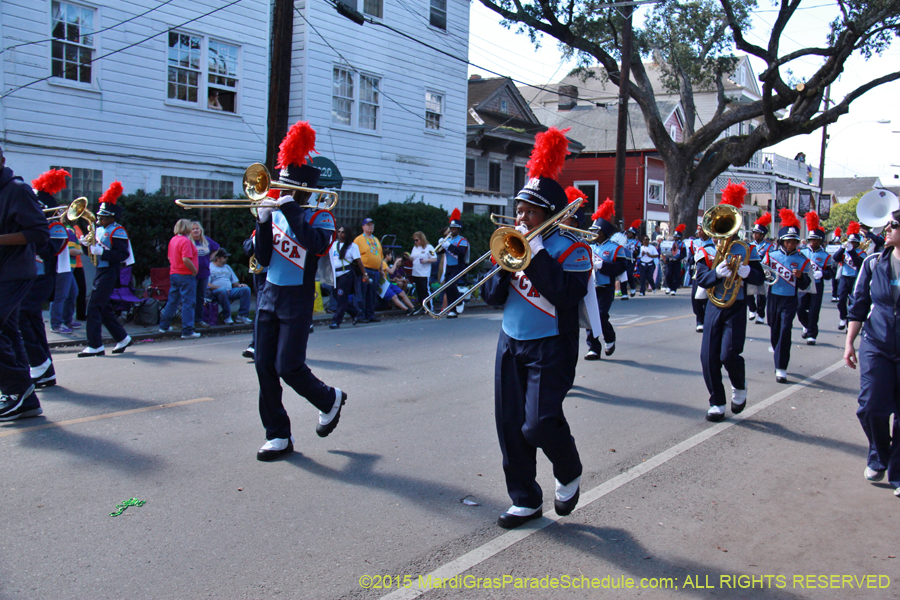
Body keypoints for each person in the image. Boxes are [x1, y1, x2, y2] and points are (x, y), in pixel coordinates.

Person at [482, 127, 591, 529]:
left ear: (548, 214)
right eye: (519, 210)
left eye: (529, 212)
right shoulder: (512, 243)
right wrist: (507, 267)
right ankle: (524, 498)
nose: (520, 218)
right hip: (510, 343)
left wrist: (537, 254)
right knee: (510, 425)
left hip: (551, 347)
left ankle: (569, 469)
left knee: (539, 422)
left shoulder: (572, 249)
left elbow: (565, 295)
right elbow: (492, 298)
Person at [252, 120, 346, 461]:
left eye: (288, 190)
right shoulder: (274, 213)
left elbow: (315, 244)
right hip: (269, 293)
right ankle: (277, 434)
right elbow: (261, 259)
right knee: (264, 365)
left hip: (297, 296)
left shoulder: (320, 216)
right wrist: (262, 223)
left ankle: (328, 398)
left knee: (288, 366)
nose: (280, 193)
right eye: (281, 188)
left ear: (304, 191)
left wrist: (290, 208)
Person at [695, 182, 765, 421]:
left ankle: (739, 384)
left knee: (728, 355)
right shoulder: (704, 249)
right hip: (713, 305)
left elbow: (760, 277)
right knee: (708, 357)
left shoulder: (747, 249)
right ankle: (717, 402)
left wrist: (747, 273)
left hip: (736, 305)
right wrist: (717, 273)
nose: (726, 232)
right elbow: (702, 279)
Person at [844, 210, 900, 497]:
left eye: (894, 225)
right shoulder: (874, 262)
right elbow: (859, 304)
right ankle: (880, 453)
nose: (887, 229)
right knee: (869, 406)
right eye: (888, 224)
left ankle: (897, 471)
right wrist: (850, 343)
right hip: (876, 343)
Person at [0, 146, 51, 420]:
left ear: (2, 161)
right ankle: (26, 399)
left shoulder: (17, 189)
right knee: (7, 332)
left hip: (14, 272)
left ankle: (16, 389)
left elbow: (39, 232)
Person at [21, 170, 69, 387]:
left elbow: (49, 251)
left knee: (20, 316)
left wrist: (36, 231)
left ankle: (38, 363)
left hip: (43, 279)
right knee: (35, 322)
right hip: (29, 277)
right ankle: (46, 371)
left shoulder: (56, 227)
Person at [78, 182, 134, 357]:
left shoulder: (118, 230)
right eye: (99, 217)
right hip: (101, 270)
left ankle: (95, 344)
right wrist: (85, 246)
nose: (100, 220)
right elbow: (93, 254)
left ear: (112, 217)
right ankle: (122, 337)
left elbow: (122, 254)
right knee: (102, 308)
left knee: (93, 306)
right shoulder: (100, 230)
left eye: (103, 217)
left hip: (110, 271)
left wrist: (102, 251)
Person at [764, 209, 813, 383]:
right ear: (781, 242)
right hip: (773, 297)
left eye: (794, 242)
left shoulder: (802, 260)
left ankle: (781, 367)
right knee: (774, 327)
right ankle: (777, 351)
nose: (791, 245)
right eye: (788, 242)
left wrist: (801, 276)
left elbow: (807, 285)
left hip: (790, 299)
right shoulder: (771, 256)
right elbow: (764, 275)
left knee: (785, 329)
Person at [584, 197, 626, 360]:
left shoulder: (615, 248)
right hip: (589, 286)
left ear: (602, 233)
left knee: (600, 315)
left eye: (595, 231)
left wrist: (603, 266)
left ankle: (609, 338)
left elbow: (622, 267)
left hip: (605, 287)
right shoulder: (588, 246)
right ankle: (593, 347)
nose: (592, 233)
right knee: (589, 317)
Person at [158, 219, 201, 339]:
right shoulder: (185, 241)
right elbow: (186, 259)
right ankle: (187, 330)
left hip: (174, 273)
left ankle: (164, 326)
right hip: (185, 274)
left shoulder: (173, 239)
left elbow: (169, 256)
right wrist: (194, 270)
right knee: (188, 302)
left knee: (173, 300)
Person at [798, 212, 834, 346]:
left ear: (820, 241)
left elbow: (831, 273)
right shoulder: (802, 252)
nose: (813, 242)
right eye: (811, 240)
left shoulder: (825, 256)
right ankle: (807, 325)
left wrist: (823, 273)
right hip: (804, 283)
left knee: (814, 309)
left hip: (817, 285)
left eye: (816, 240)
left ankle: (812, 334)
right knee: (800, 308)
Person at [832, 221, 867, 331]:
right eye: (850, 242)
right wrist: (842, 248)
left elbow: (858, 263)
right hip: (844, 277)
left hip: (855, 279)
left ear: (857, 243)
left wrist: (851, 251)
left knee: (853, 301)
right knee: (841, 299)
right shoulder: (844, 251)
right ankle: (843, 318)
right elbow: (836, 258)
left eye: (853, 242)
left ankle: (850, 323)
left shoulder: (861, 253)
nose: (851, 244)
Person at [329, 225, 365, 329]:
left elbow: (359, 261)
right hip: (335, 275)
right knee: (337, 296)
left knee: (341, 297)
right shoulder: (334, 245)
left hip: (346, 274)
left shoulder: (352, 246)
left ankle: (336, 321)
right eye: (339, 231)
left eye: (343, 232)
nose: (340, 233)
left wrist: (364, 274)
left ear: (347, 234)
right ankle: (355, 312)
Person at [437, 209, 470, 318]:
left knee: (451, 285)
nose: (452, 230)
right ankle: (453, 309)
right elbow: (441, 252)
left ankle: (459, 302)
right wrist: (441, 245)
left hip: (458, 266)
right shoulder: (449, 240)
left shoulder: (462, 240)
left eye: (455, 228)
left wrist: (448, 246)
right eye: (451, 228)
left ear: (459, 229)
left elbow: (460, 252)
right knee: (447, 287)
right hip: (449, 266)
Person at [207, 249, 252, 324]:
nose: (227, 258)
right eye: (224, 257)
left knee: (246, 289)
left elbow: (235, 282)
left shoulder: (227, 267)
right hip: (216, 292)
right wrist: (220, 288)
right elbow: (207, 284)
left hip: (230, 291)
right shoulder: (210, 267)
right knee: (223, 291)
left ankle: (242, 315)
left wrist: (239, 285)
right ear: (218, 258)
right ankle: (227, 317)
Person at [190, 221, 219, 328]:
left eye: (197, 228)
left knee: (200, 297)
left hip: (204, 273)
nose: (195, 231)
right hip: (192, 273)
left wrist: (210, 258)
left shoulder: (206, 240)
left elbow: (216, 247)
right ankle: (190, 321)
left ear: (201, 230)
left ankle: (199, 320)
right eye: (193, 229)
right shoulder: (189, 241)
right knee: (191, 298)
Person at [354, 217, 382, 323]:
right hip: (364, 270)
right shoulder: (358, 239)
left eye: (372, 225)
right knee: (362, 293)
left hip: (375, 271)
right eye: (368, 225)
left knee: (372, 294)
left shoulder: (376, 239)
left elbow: (380, 255)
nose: (370, 227)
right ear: (363, 227)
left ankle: (370, 314)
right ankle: (360, 315)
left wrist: (381, 269)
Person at [747, 212, 774, 323]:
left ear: (762, 235)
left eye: (757, 233)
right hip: (752, 270)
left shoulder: (769, 246)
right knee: (748, 292)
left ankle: (761, 315)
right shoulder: (749, 245)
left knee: (761, 294)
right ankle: (752, 309)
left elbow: (770, 258)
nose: (754, 235)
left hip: (764, 270)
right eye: (754, 233)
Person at [690, 225, 716, 332]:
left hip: (709, 270)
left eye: (700, 229)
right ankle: (699, 320)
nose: (698, 231)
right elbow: (690, 257)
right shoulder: (695, 242)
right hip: (697, 271)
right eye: (698, 229)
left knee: (706, 298)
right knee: (695, 298)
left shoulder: (713, 243)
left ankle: (706, 320)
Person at [409, 231, 436, 312]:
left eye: (417, 240)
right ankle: (422, 306)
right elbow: (412, 258)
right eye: (414, 240)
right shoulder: (415, 248)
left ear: (422, 239)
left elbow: (434, 258)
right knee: (419, 290)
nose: (416, 242)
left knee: (425, 290)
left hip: (424, 273)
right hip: (416, 272)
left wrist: (426, 260)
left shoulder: (429, 247)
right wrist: (407, 257)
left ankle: (429, 307)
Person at [663, 224, 686, 295]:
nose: (675, 238)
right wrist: (666, 259)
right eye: (674, 237)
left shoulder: (682, 244)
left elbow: (684, 254)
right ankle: (669, 287)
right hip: (670, 261)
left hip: (677, 262)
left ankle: (674, 289)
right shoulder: (671, 243)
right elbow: (667, 252)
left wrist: (679, 258)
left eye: (676, 237)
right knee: (668, 274)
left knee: (676, 275)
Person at [621, 220, 641, 299]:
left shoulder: (637, 242)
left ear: (632, 234)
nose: (627, 234)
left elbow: (637, 253)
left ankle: (633, 286)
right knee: (623, 276)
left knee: (629, 274)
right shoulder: (624, 239)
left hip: (630, 260)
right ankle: (624, 293)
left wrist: (634, 250)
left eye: (629, 233)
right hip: (623, 259)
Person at [830, 227, 842, 302]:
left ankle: (839, 294)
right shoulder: (831, 248)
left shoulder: (842, 248)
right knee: (834, 281)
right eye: (836, 243)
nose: (837, 244)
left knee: (840, 281)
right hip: (834, 266)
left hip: (840, 265)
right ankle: (834, 295)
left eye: (838, 243)